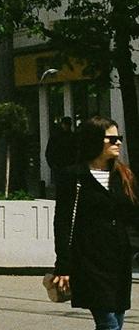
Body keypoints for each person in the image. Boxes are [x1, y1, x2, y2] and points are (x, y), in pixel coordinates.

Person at [50, 117, 139, 330]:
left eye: (120, 138)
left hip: (118, 260)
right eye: (112, 138)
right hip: (89, 261)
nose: (118, 143)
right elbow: (62, 223)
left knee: (117, 319)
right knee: (109, 324)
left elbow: (133, 214)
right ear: (95, 140)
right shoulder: (74, 176)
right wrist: (63, 265)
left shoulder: (122, 175)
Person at [48, 116, 77, 190]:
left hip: (70, 168)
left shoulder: (73, 137)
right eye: (65, 124)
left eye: (68, 124)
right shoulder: (55, 138)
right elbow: (49, 152)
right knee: (62, 191)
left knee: (70, 191)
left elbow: (77, 152)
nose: (66, 126)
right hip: (59, 167)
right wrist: (53, 165)